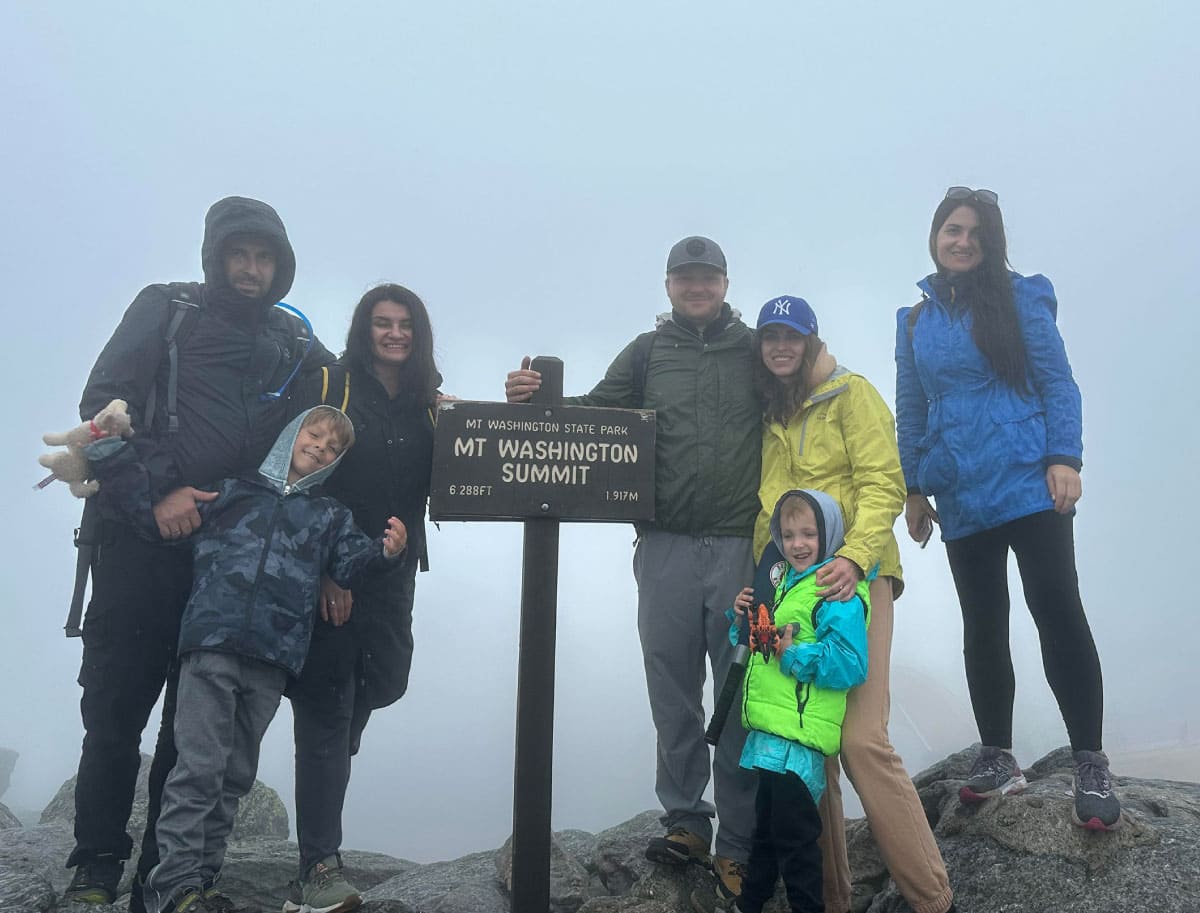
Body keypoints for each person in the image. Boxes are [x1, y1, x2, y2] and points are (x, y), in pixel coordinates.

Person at [63, 196, 333, 907]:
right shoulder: (166, 309)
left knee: (195, 731)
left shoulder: (291, 341)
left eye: (264, 257)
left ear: (280, 267)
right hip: (136, 545)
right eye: (240, 255)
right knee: (116, 710)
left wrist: (439, 396)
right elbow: (102, 406)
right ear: (216, 256)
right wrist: (158, 494)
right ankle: (94, 864)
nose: (251, 268)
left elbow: (357, 390)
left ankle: (167, 878)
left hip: (225, 566)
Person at [505, 237, 760, 900]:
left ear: (726, 283)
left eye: (707, 278)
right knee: (672, 691)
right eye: (685, 278)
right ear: (670, 284)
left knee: (738, 699)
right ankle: (685, 822)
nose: (697, 287)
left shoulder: (756, 348)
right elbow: (590, 410)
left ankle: (738, 842)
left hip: (740, 546)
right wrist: (535, 397)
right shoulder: (648, 352)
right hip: (664, 544)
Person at [85, 405, 406, 913]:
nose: (320, 446)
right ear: (290, 435)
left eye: (333, 446)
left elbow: (350, 564)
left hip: (273, 659)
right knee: (199, 768)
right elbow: (155, 514)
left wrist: (387, 553)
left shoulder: (328, 516)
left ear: (336, 461)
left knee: (233, 776)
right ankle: (174, 886)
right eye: (313, 433)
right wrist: (105, 450)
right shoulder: (231, 491)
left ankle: (202, 883)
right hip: (211, 646)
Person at [895, 187, 1119, 831]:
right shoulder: (915, 321)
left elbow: (1057, 380)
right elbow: (913, 408)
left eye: (974, 233)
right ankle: (998, 757)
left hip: (1030, 482)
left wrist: (1065, 458)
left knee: (1057, 613)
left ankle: (1090, 763)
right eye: (951, 229)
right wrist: (915, 487)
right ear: (934, 236)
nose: (961, 241)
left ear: (990, 243)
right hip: (961, 491)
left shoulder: (1022, 298)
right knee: (983, 626)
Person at [747, 296, 956, 913]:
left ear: (812, 339)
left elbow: (881, 480)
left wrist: (856, 557)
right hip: (792, 586)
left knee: (862, 739)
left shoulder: (851, 394)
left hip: (855, 581)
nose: (781, 346)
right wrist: (763, 587)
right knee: (812, 745)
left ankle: (934, 898)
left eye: (793, 335)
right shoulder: (773, 413)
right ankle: (831, 901)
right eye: (770, 337)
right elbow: (771, 513)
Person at [283, 284, 442, 913]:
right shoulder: (333, 385)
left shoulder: (428, 398)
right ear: (363, 328)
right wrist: (328, 572)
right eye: (383, 323)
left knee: (379, 686)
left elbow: (464, 458)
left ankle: (324, 813)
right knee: (327, 704)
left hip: (394, 574)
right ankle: (319, 865)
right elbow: (301, 475)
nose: (394, 334)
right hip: (334, 575)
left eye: (405, 324)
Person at [709, 489, 869, 913]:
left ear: (829, 535)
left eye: (809, 534)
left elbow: (850, 664)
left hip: (799, 738)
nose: (798, 543)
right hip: (769, 733)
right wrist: (741, 619)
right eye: (789, 534)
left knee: (796, 843)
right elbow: (758, 647)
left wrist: (791, 654)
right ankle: (751, 905)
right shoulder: (782, 584)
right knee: (765, 833)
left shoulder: (837, 591)